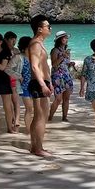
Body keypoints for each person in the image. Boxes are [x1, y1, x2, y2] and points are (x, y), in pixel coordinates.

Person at [27, 15, 53, 157]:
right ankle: (38, 147)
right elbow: (35, 67)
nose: (50, 29)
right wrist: (43, 84)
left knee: (39, 116)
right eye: (48, 26)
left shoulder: (39, 43)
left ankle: (34, 145)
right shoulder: (36, 44)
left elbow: (43, 67)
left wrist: (49, 82)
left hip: (42, 81)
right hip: (38, 82)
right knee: (41, 116)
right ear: (39, 29)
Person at [7, 36, 34, 136]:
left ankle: (31, 128)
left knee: (34, 109)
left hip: (34, 85)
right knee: (29, 108)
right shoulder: (18, 57)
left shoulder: (33, 56)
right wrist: (19, 76)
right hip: (24, 86)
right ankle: (28, 130)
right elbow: (8, 69)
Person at [48, 31, 75, 122]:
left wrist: (70, 64)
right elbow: (54, 64)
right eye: (64, 38)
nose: (66, 39)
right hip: (57, 76)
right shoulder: (55, 50)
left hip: (66, 75)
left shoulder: (67, 51)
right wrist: (62, 56)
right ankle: (50, 116)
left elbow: (65, 65)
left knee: (66, 98)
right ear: (59, 39)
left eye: (67, 38)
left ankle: (64, 117)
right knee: (58, 98)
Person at [4, 31, 21, 130]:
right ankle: (12, 118)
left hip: (14, 76)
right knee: (8, 101)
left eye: (15, 40)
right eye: (11, 40)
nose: (14, 42)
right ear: (6, 40)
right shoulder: (2, 50)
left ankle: (17, 119)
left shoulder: (16, 51)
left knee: (15, 99)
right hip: (5, 77)